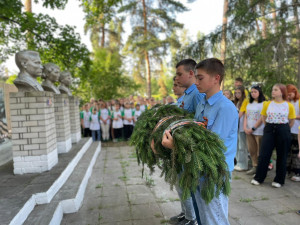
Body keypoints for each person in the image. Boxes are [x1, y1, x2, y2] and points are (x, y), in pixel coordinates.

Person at [161, 58, 238, 225]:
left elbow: (212, 147)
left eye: (200, 78)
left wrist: (176, 145)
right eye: (195, 77)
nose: (196, 82)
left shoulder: (225, 108)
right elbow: (195, 133)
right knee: (202, 217)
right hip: (199, 169)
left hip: (214, 173)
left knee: (214, 218)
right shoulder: (203, 102)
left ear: (216, 78)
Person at [167, 59, 205, 225]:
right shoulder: (187, 95)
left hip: (188, 149)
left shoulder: (197, 94)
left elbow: (199, 124)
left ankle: (193, 219)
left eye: (179, 74)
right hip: (179, 147)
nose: (177, 78)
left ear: (191, 73)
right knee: (181, 184)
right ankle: (187, 214)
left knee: (189, 186)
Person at [251, 84, 296, 188]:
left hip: (283, 130)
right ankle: (259, 178)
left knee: (282, 155)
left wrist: (283, 129)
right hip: (269, 129)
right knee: (264, 154)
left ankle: (279, 180)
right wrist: (269, 127)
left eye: (275, 90)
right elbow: (263, 117)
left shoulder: (289, 105)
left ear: (282, 92)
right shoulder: (267, 104)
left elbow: (292, 121)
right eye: (272, 89)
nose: (273, 91)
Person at [243, 85, 265, 175]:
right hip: (249, 130)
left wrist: (253, 128)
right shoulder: (249, 104)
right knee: (252, 149)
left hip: (259, 130)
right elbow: (246, 116)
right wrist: (245, 127)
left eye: (255, 92)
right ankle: (254, 166)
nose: (253, 93)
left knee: (260, 150)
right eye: (252, 92)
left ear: (259, 92)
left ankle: (261, 169)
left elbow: (261, 118)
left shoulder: (263, 104)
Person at [233, 85, 249, 171]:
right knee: (237, 146)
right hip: (237, 127)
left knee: (242, 146)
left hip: (242, 127)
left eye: (239, 93)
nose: (237, 94)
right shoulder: (237, 102)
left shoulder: (245, 101)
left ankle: (243, 164)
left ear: (243, 93)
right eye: (235, 93)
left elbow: (240, 114)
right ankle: (238, 162)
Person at [286, 84, 300, 181]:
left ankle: (297, 173)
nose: (289, 96)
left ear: (295, 92)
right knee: (288, 152)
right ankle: (288, 171)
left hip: (297, 130)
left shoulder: (298, 102)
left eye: (290, 94)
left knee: (296, 152)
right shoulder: (287, 103)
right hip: (288, 129)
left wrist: (292, 116)